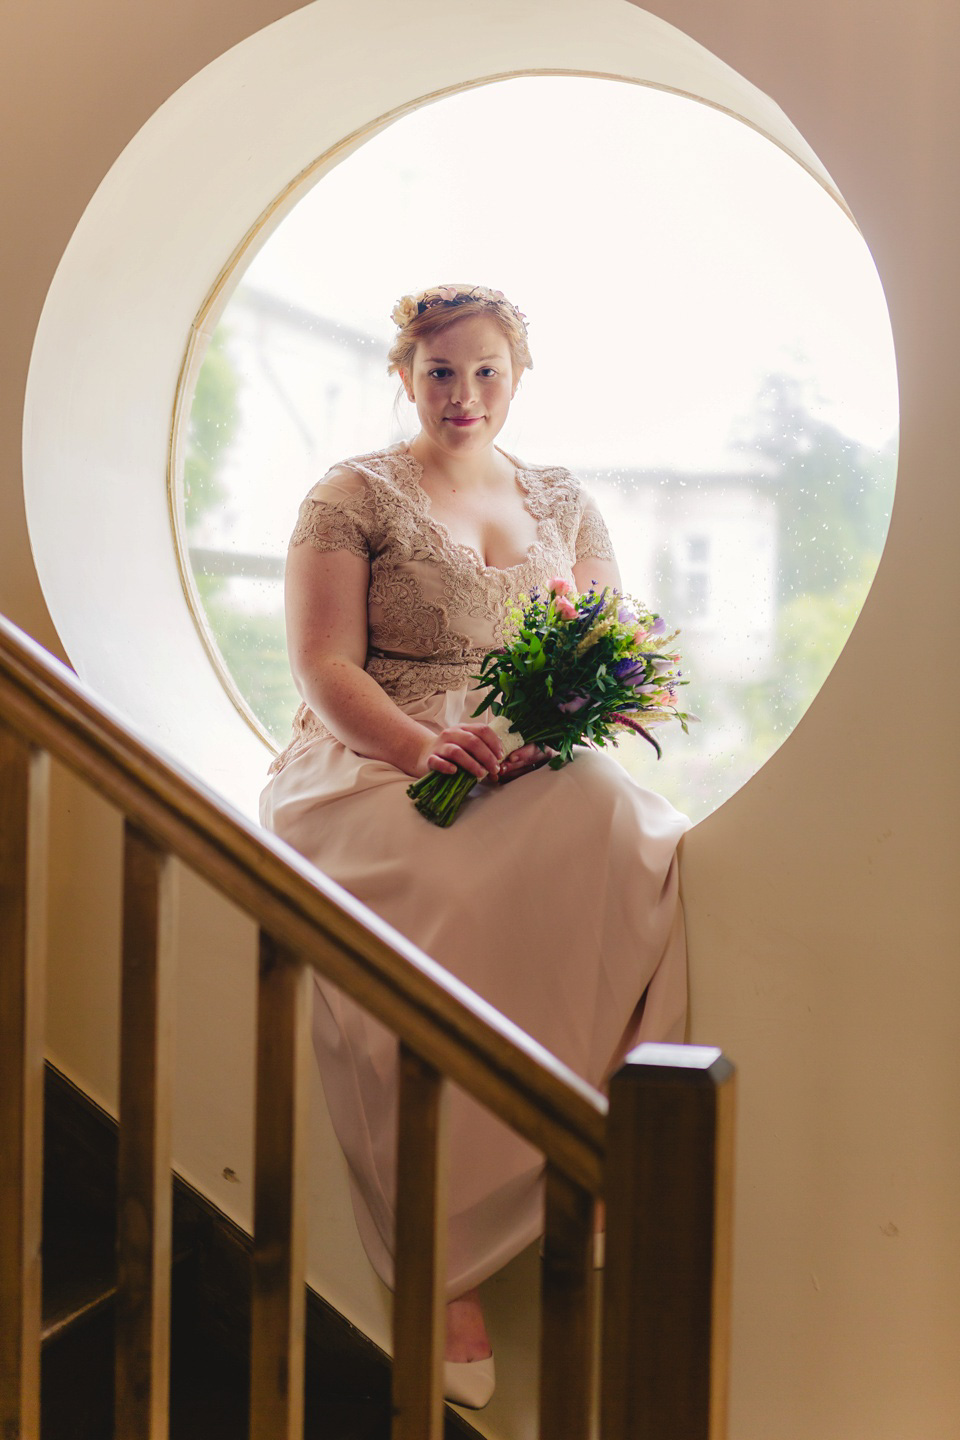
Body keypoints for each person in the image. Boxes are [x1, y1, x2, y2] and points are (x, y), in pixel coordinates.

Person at [259, 282, 690, 1409]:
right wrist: (418, 747)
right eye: (441, 371)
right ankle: (444, 1257)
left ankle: (578, 1158)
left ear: (519, 373)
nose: (464, 394)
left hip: (520, 753)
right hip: (373, 760)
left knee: (627, 829)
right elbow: (325, 666)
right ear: (404, 374)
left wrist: (563, 720)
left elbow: (600, 641)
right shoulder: (352, 494)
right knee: (445, 903)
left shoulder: (563, 499)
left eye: (486, 370)